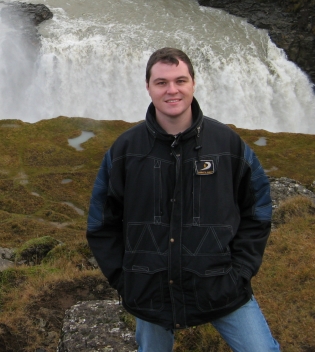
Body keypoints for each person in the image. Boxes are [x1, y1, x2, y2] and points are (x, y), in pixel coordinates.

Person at [86, 47, 279, 352]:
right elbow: (101, 222)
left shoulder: (227, 145)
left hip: (221, 286)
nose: (172, 90)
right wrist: (127, 281)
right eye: (161, 82)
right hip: (150, 290)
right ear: (148, 87)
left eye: (180, 80)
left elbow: (258, 211)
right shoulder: (125, 151)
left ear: (194, 83)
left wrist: (240, 273)